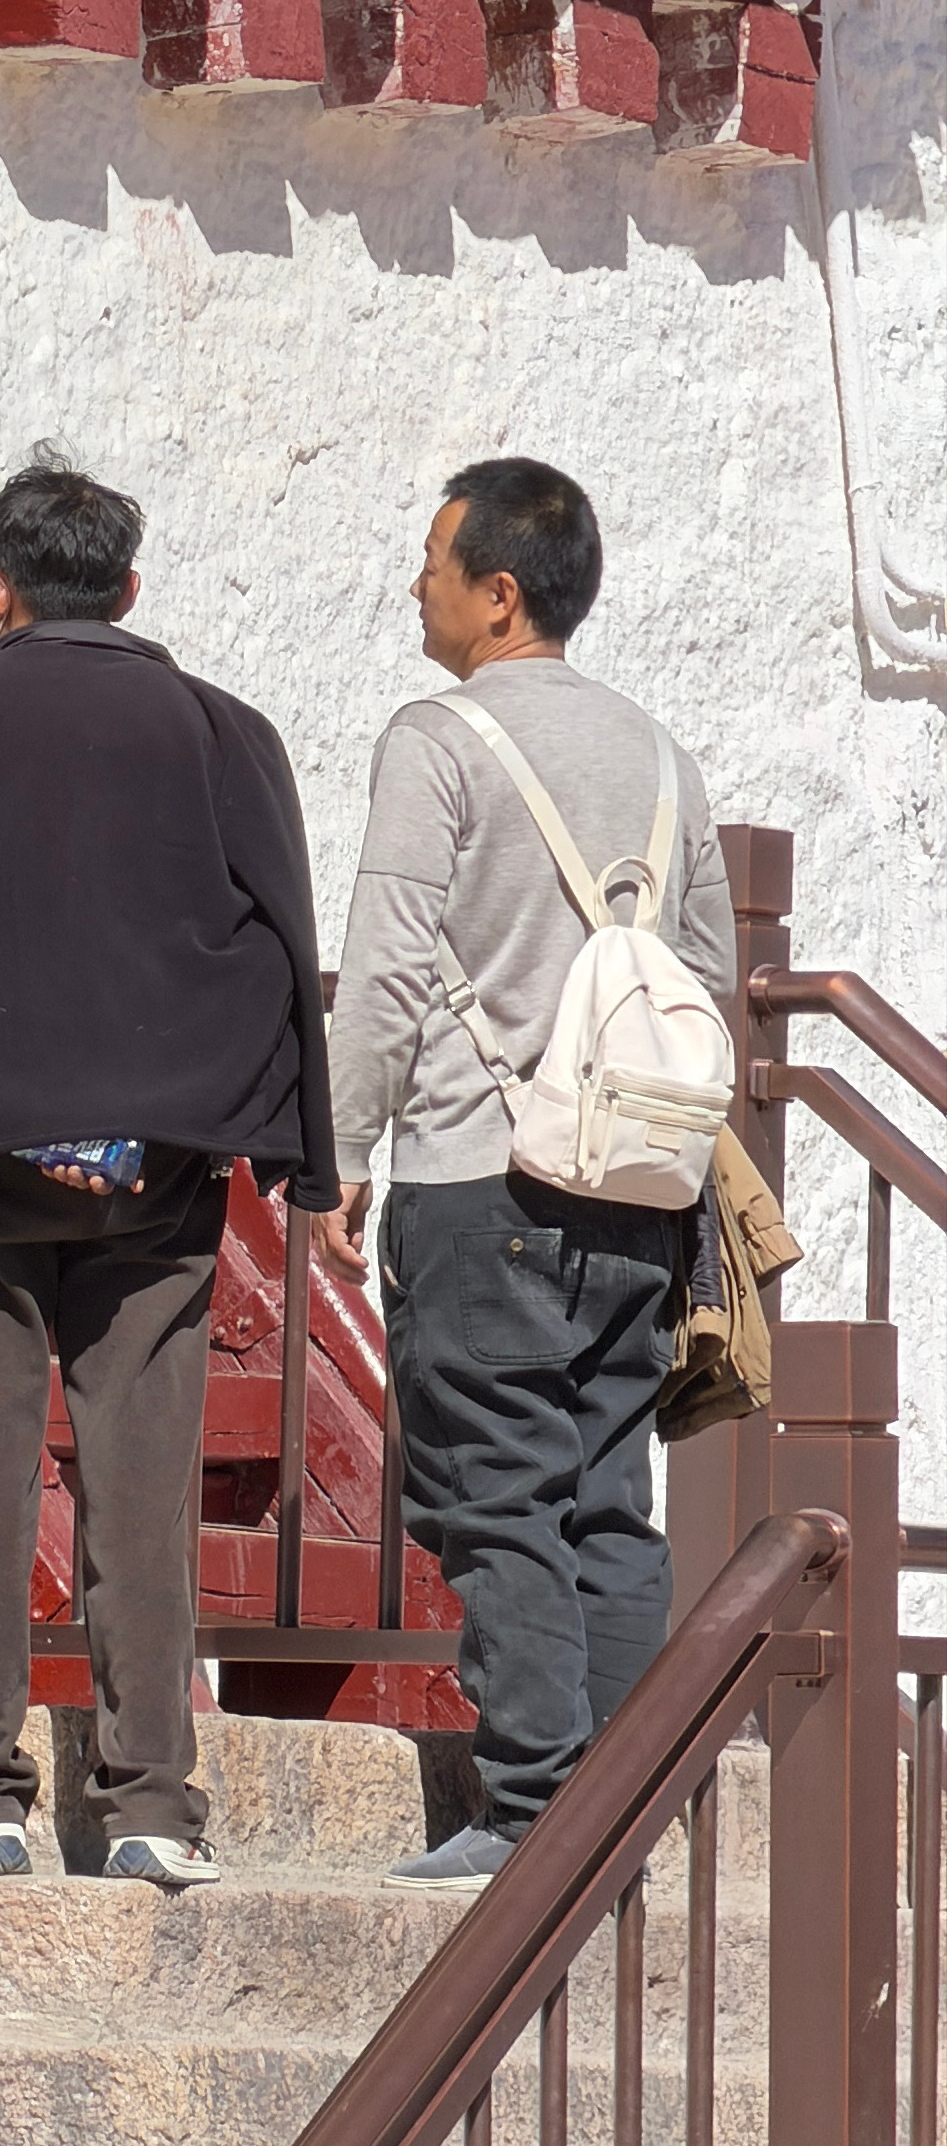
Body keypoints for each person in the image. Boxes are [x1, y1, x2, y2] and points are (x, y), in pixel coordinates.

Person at [0, 453, 334, 1894]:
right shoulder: (223, 730)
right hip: (160, 1158)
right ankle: (153, 1805)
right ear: (128, 586)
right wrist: (298, 1156)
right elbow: (285, 942)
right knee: (141, 1482)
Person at [315, 459, 735, 1889]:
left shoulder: (437, 741)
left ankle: (533, 1814)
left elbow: (382, 968)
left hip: (477, 1172)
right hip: (635, 1188)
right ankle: (624, 1806)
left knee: (494, 1494)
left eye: (432, 561)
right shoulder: (664, 757)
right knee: (606, 1494)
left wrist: (339, 1151)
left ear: (499, 595)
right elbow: (712, 986)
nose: (412, 585)